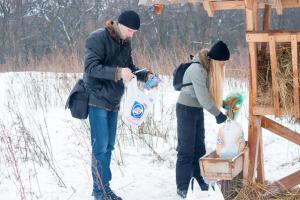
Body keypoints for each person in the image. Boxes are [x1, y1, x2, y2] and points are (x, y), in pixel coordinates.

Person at [83, 10, 155, 200]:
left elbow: (129, 67)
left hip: (114, 101)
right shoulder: (97, 38)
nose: (132, 35)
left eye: (134, 33)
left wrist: (145, 75)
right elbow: (91, 68)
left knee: (109, 147)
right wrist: (117, 73)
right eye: (130, 30)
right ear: (119, 24)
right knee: (100, 148)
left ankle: (104, 188)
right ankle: (100, 193)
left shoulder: (125, 42)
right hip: (97, 99)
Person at [175, 41, 230, 198]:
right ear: (215, 59)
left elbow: (209, 94)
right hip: (185, 110)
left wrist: (226, 104)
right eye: (222, 63)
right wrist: (218, 114)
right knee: (186, 149)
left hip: (196, 110)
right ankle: (182, 187)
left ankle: (199, 178)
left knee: (199, 148)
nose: (223, 66)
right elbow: (204, 98)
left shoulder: (207, 67)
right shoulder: (197, 69)